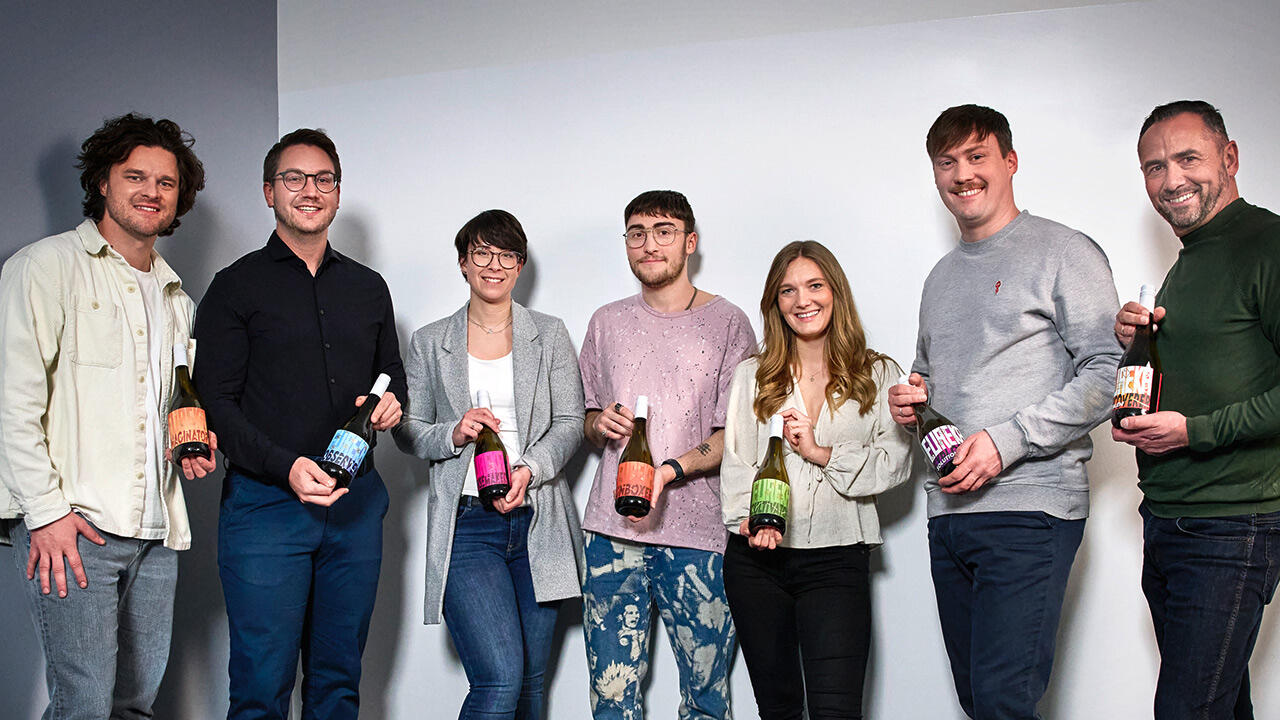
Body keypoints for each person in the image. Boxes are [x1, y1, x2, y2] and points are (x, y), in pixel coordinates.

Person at [887, 104, 1121, 720]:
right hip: (950, 513)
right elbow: (928, 382)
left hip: (1031, 509)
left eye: (976, 156)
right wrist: (911, 404)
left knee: (1002, 703)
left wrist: (1007, 440)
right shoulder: (939, 278)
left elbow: (1110, 373)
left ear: (1009, 162)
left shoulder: (1064, 251)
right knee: (978, 701)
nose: (961, 173)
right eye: (947, 162)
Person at [0, 113, 216, 719]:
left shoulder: (178, 299)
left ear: (181, 197)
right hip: (73, 526)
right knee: (84, 706)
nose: (151, 192)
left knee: (134, 707)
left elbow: (175, 403)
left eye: (166, 183)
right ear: (103, 182)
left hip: (154, 532)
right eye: (135, 176)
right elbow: (11, 405)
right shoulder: (44, 268)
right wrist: (46, 515)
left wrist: (194, 439)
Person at [193, 128, 406, 720]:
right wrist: (286, 467)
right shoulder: (235, 287)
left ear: (337, 193)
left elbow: (392, 375)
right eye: (294, 178)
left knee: (338, 685)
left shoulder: (368, 288)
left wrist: (393, 405)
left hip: (355, 508)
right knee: (262, 686)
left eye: (323, 179)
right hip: (266, 509)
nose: (309, 190)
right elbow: (217, 406)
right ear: (269, 191)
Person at [1113, 100, 1280, 720]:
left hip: (1232, 526)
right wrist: (1135, 342)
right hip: (1168, 521)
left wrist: (1195, 433)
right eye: (1154, 167)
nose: (1171, 180)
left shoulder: (1267, 243)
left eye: (1188, 159)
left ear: (1229, 158)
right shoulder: (1186, 263)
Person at [393, 209, 585, 719]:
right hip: (468, 524)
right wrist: (452, 433)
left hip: (538, 518)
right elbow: (407, 431)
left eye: (506, 255)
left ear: (519, 265)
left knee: (530, 685)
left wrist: (532, 469)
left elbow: (569, 421)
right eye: (482, 253)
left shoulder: (550, 333)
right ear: (463, 263)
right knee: (499, 681)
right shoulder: (432, 342)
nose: (494, 265)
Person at [579, 190, 756, 719]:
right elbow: (585, 419)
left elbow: (738, 435)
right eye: (637, 233)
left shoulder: (729, 323)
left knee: (705, 699)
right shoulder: (605, 322)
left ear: (690, 242)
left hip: (700, 536)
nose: (649, 244)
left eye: (663, 231)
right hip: (612, 534)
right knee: (612, 697)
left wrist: (674, 468)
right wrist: (598, 423)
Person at [720, 240, 912, 719]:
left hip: (837, 559)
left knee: (837, 711)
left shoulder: (880, 373)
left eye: (814, 285)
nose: (802, 300)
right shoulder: (752, 376)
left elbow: (896, 462)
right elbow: (736, 459)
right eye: (787, 290)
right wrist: (750, 520)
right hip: (755, 562)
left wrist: (820, 452)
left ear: (835, 291)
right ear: (775, 303)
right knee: (779, 711)